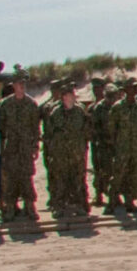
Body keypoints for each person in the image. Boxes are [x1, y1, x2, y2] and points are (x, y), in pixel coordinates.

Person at [40, 77, 93, 220]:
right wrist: (52, 152)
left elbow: (87, 130)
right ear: (64, 97)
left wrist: (83, 146)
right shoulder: (55, 113)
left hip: (77, 153)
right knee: (60, 181)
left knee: (78, 181)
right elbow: (49, 134)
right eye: (69, 94)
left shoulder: (80, 111)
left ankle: (79, 206)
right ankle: (59, 207)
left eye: (73, 94)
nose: (72, 96)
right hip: (60, 154)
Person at [0, 75, 40, 222]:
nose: (21, 86)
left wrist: (35, 147)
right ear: (13, 85)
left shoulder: (31, 104)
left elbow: (35, 128)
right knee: (11, 178)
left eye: (23, 84)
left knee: (27, 176)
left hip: (26, 147)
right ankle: (10, 207)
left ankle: (30, 206)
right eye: (19, 84)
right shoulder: (4, 105)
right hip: (11, 147)